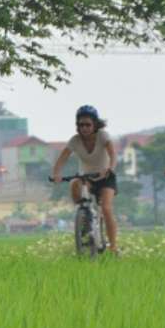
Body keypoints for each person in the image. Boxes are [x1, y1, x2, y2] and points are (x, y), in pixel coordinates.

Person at [51, 105, 120, 254]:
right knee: (75, 184)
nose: (85, 128)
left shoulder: (103, 136)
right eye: (81, 124)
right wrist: (56, 173)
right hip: (87, 177)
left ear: (94, 124)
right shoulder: (75, 141)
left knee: (106, 208)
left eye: (88, 124)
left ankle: (113, 246)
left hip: (105, 177)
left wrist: (111, 168)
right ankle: (84, 217)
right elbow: (62, 158)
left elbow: (113, 154)